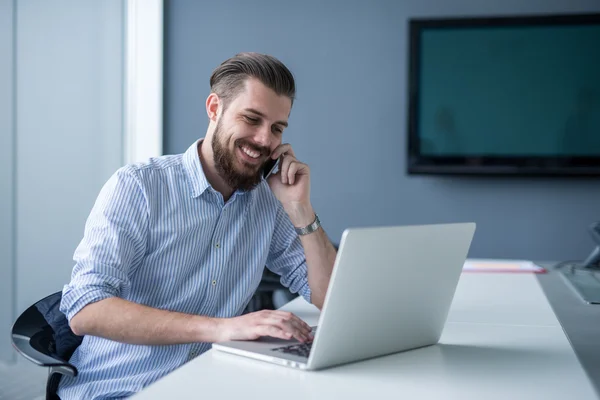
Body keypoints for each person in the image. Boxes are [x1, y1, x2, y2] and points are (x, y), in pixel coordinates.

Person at [57, 52, 337, 400]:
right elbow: (85, 309)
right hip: (120, 389)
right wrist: (224, 329)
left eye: (277, 128)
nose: (265, 140)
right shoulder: (139, 187)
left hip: (208, 386)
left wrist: (302, 210)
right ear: (214, 108)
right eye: (252, 119)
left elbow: (331, 297)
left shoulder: (269, 202)